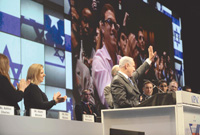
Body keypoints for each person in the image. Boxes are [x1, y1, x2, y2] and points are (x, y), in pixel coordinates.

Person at [92, 4, 121, 108]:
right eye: (109, 22)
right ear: (102, 26)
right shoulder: (99, 60)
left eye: (116, 25)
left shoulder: (122, 61)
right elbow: (109, 101)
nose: (113, 29)